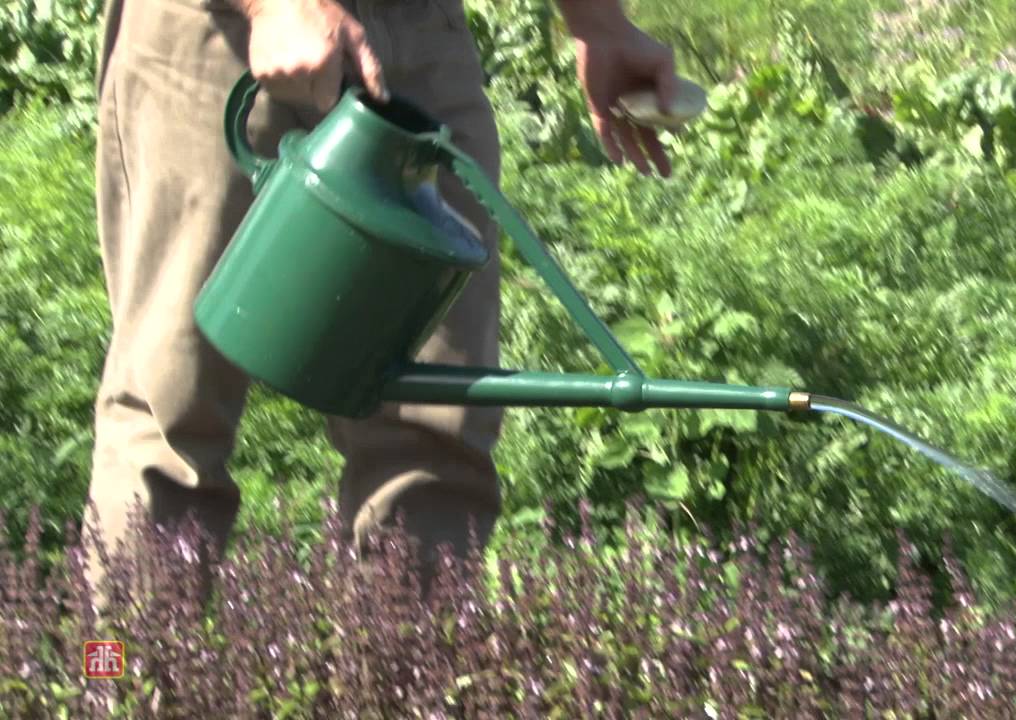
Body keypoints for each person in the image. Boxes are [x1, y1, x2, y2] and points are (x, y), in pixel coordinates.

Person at [85, 0, 678, 603]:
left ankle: (403, 685)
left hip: (414, 36)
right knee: (171, 410)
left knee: (435, 428)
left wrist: (597, 22)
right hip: (218, 35)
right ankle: (117, 681)